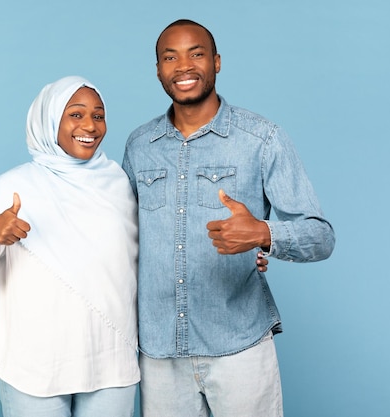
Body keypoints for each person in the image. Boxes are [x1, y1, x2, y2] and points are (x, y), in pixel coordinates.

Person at [122, 19, 336, 417]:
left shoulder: (262, 138)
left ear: (217, 62)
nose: (183, 66)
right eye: (170, 57)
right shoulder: (138, 146)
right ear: (158, 70)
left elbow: (320, 236)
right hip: (159, 352)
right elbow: (123, 238)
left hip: (239, 347)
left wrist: (262, 233)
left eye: (196, 54)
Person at [0, 76, 141, 417]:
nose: (90, 126)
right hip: (35, 367)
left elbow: (146, 258)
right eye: (76, 114)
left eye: (98, 115)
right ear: (49, 120)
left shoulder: (119, 183)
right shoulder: (15, 185)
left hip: (111, 362)